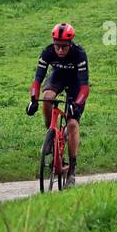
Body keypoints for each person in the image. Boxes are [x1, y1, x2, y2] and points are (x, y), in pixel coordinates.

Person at [26, 23, 89, 187]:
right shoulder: (47, 52)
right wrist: (33, 99)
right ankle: (50, 134)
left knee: (73, 124)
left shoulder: (79, 54)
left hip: (76, 83)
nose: (60, 50)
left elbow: (84, 87)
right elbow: (37, 80)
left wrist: (77, 104)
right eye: (57, 46)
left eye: (64, 47)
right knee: (47, 97)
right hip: (58, 77)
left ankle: (72, 171)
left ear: (70, 44)